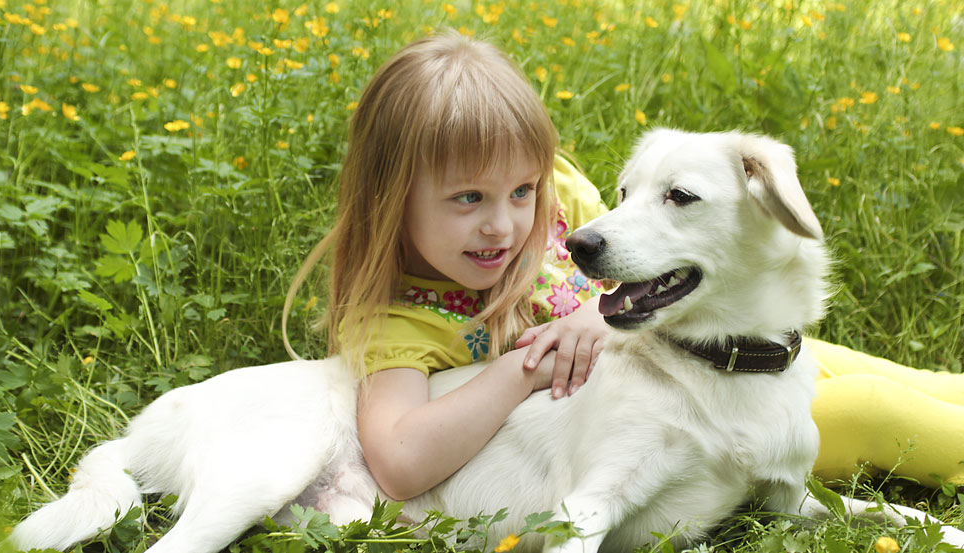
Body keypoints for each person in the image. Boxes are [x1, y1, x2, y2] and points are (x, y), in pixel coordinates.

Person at [284, 31, 963, 502]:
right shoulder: (398, 319)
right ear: (390, 200)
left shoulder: (549, 201)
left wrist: (591, 313)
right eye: (469, 198)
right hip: (700, 412)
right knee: (872, 409)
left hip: (716, 341)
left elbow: (620, 238)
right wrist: (528, 366)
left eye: (521, 188)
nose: (505, 222)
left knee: (913, 376)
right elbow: (400, 462)